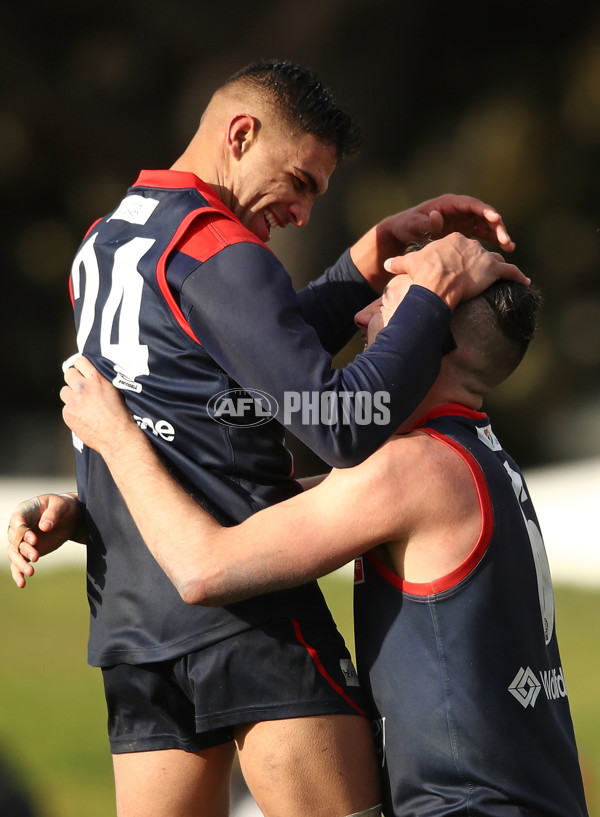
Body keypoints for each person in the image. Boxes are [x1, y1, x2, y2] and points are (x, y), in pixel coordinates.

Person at [7, 55, 529, 817]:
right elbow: (339, 426)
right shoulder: (221, 250)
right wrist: (429, 297)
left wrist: (363, 264)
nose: (304, 212)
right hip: (249, 621)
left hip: (131, 628)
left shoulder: (105, 241)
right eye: (301, 182)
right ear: (241, 135)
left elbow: (225, 370)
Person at [9, 275, 589, 816]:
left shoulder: (410, 467)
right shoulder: (470, 454)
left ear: (441, 343)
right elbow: (265, 512)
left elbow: (202, 567)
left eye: (390, 306)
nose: (363, 315)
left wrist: (117, 438)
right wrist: (92, 515)